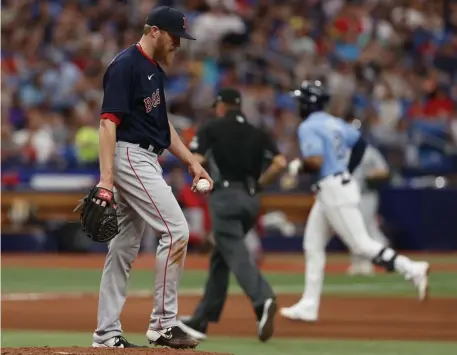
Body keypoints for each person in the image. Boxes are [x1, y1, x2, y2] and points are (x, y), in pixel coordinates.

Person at [92, 6, 212, 349]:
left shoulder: (153, 70)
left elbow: (162, 126)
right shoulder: (126, 65)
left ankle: (105, 334)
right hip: (130, 156)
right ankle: (163, 324)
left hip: (145, 155)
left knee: (123, 249)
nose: (178, 44)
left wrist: (191, 162)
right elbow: (106, 123)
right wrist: (105, 180)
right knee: (176, 231)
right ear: (155, 31)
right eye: (175, 37)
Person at [279, 80, 430, 323]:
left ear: (308, 103)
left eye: (300, 100)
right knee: (312, 245)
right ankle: (309, 304)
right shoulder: (334, 122)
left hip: (333, 189)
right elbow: (359, 144)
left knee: (361, 245)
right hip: (335, 186)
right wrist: (347, 169)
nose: (297, 104)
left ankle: (412, 268)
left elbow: (316, 161)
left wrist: (298, 165)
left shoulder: (308, 126)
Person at [177, 88, 287, 342]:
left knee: (235, 252)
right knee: (222, 255)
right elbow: (280, 163)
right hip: (250, 200)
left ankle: (263, 299)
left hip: (224, 197)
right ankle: (201, 319)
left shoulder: (211, 128)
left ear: (221, 106)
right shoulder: (258, 132)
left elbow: (197, 158)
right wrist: (259, 185)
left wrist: (195, 172)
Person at [344, 114, 391, 276]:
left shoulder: (369, 151)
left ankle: (365, 262)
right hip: (348, 195)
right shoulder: (342, 151)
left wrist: (371, 175)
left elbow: (384, 171)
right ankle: (386, 258)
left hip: (366, 195)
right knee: (364, 229)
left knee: (361, 227)